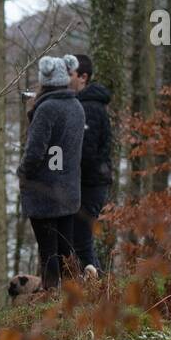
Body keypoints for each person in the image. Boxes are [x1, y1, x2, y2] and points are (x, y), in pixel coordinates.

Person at [17, 56, 84, 289]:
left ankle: (51, 302)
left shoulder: (46, 108)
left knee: (48, 253)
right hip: (68, 190)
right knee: (67, 251)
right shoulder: (76, 106)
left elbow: (35, 152)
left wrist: (22, 173)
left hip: (44, 192)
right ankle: (73, 301)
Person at [68, 53, 113, 275]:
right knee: (79, 240)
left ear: (83, 77)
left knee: (82, 240)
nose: (67, 79)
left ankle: (102, 289)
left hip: (91, 183)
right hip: (89, 182)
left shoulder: (90, 108)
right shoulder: (82, 105)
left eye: (70, 74)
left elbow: (87, 152)